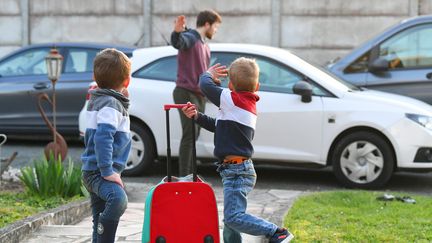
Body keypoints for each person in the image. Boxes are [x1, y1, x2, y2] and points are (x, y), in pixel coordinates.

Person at [182, 58, 294, 243]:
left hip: (237, 171)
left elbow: (205, 85)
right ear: (257, 86)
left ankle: (276, 232)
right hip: (235, 169)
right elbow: (218, 126)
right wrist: (196, 116)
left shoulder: (233, 99)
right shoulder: (241, 105)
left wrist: (208, 74)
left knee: (233, 217)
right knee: (231, 218)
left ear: (231, 85)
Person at [81, 48, 132, 243]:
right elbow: (103, 138)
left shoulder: (101, 99)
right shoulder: (111, 104)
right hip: (100, 172)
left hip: (93, 170)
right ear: (126, 81)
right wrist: (107, 170)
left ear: (95, 76)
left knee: (98, 218)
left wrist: (123, 99)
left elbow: (113, 119)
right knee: (119, 200)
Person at [171, 10, 222, 176]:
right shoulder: (191, 37)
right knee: (190, 135)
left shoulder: (205, 45)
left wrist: (212, 80)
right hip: (186, 93)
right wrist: (177, 32)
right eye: (215, 26)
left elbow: (201, 72)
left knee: (194, 135)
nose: (216, 30)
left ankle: (190, 176)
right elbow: (179, 42)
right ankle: (184, 177)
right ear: (207, 24)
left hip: (199, 95)